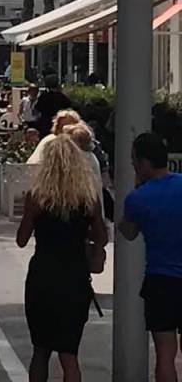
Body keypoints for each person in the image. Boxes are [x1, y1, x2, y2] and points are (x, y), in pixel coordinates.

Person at [17, 135, 107, 382]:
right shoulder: (88, 199)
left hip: (43, 276)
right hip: (74, 278)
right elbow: (102, 237)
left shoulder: (37, 197)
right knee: (69, 355)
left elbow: (22, 239)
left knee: (40, 350)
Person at [120, 133, 182, 382]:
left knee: (165, 354)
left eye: (134, 160)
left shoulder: (138, 199)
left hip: (161, 281)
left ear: (144, 163)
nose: (133, 165)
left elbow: (129, 232)